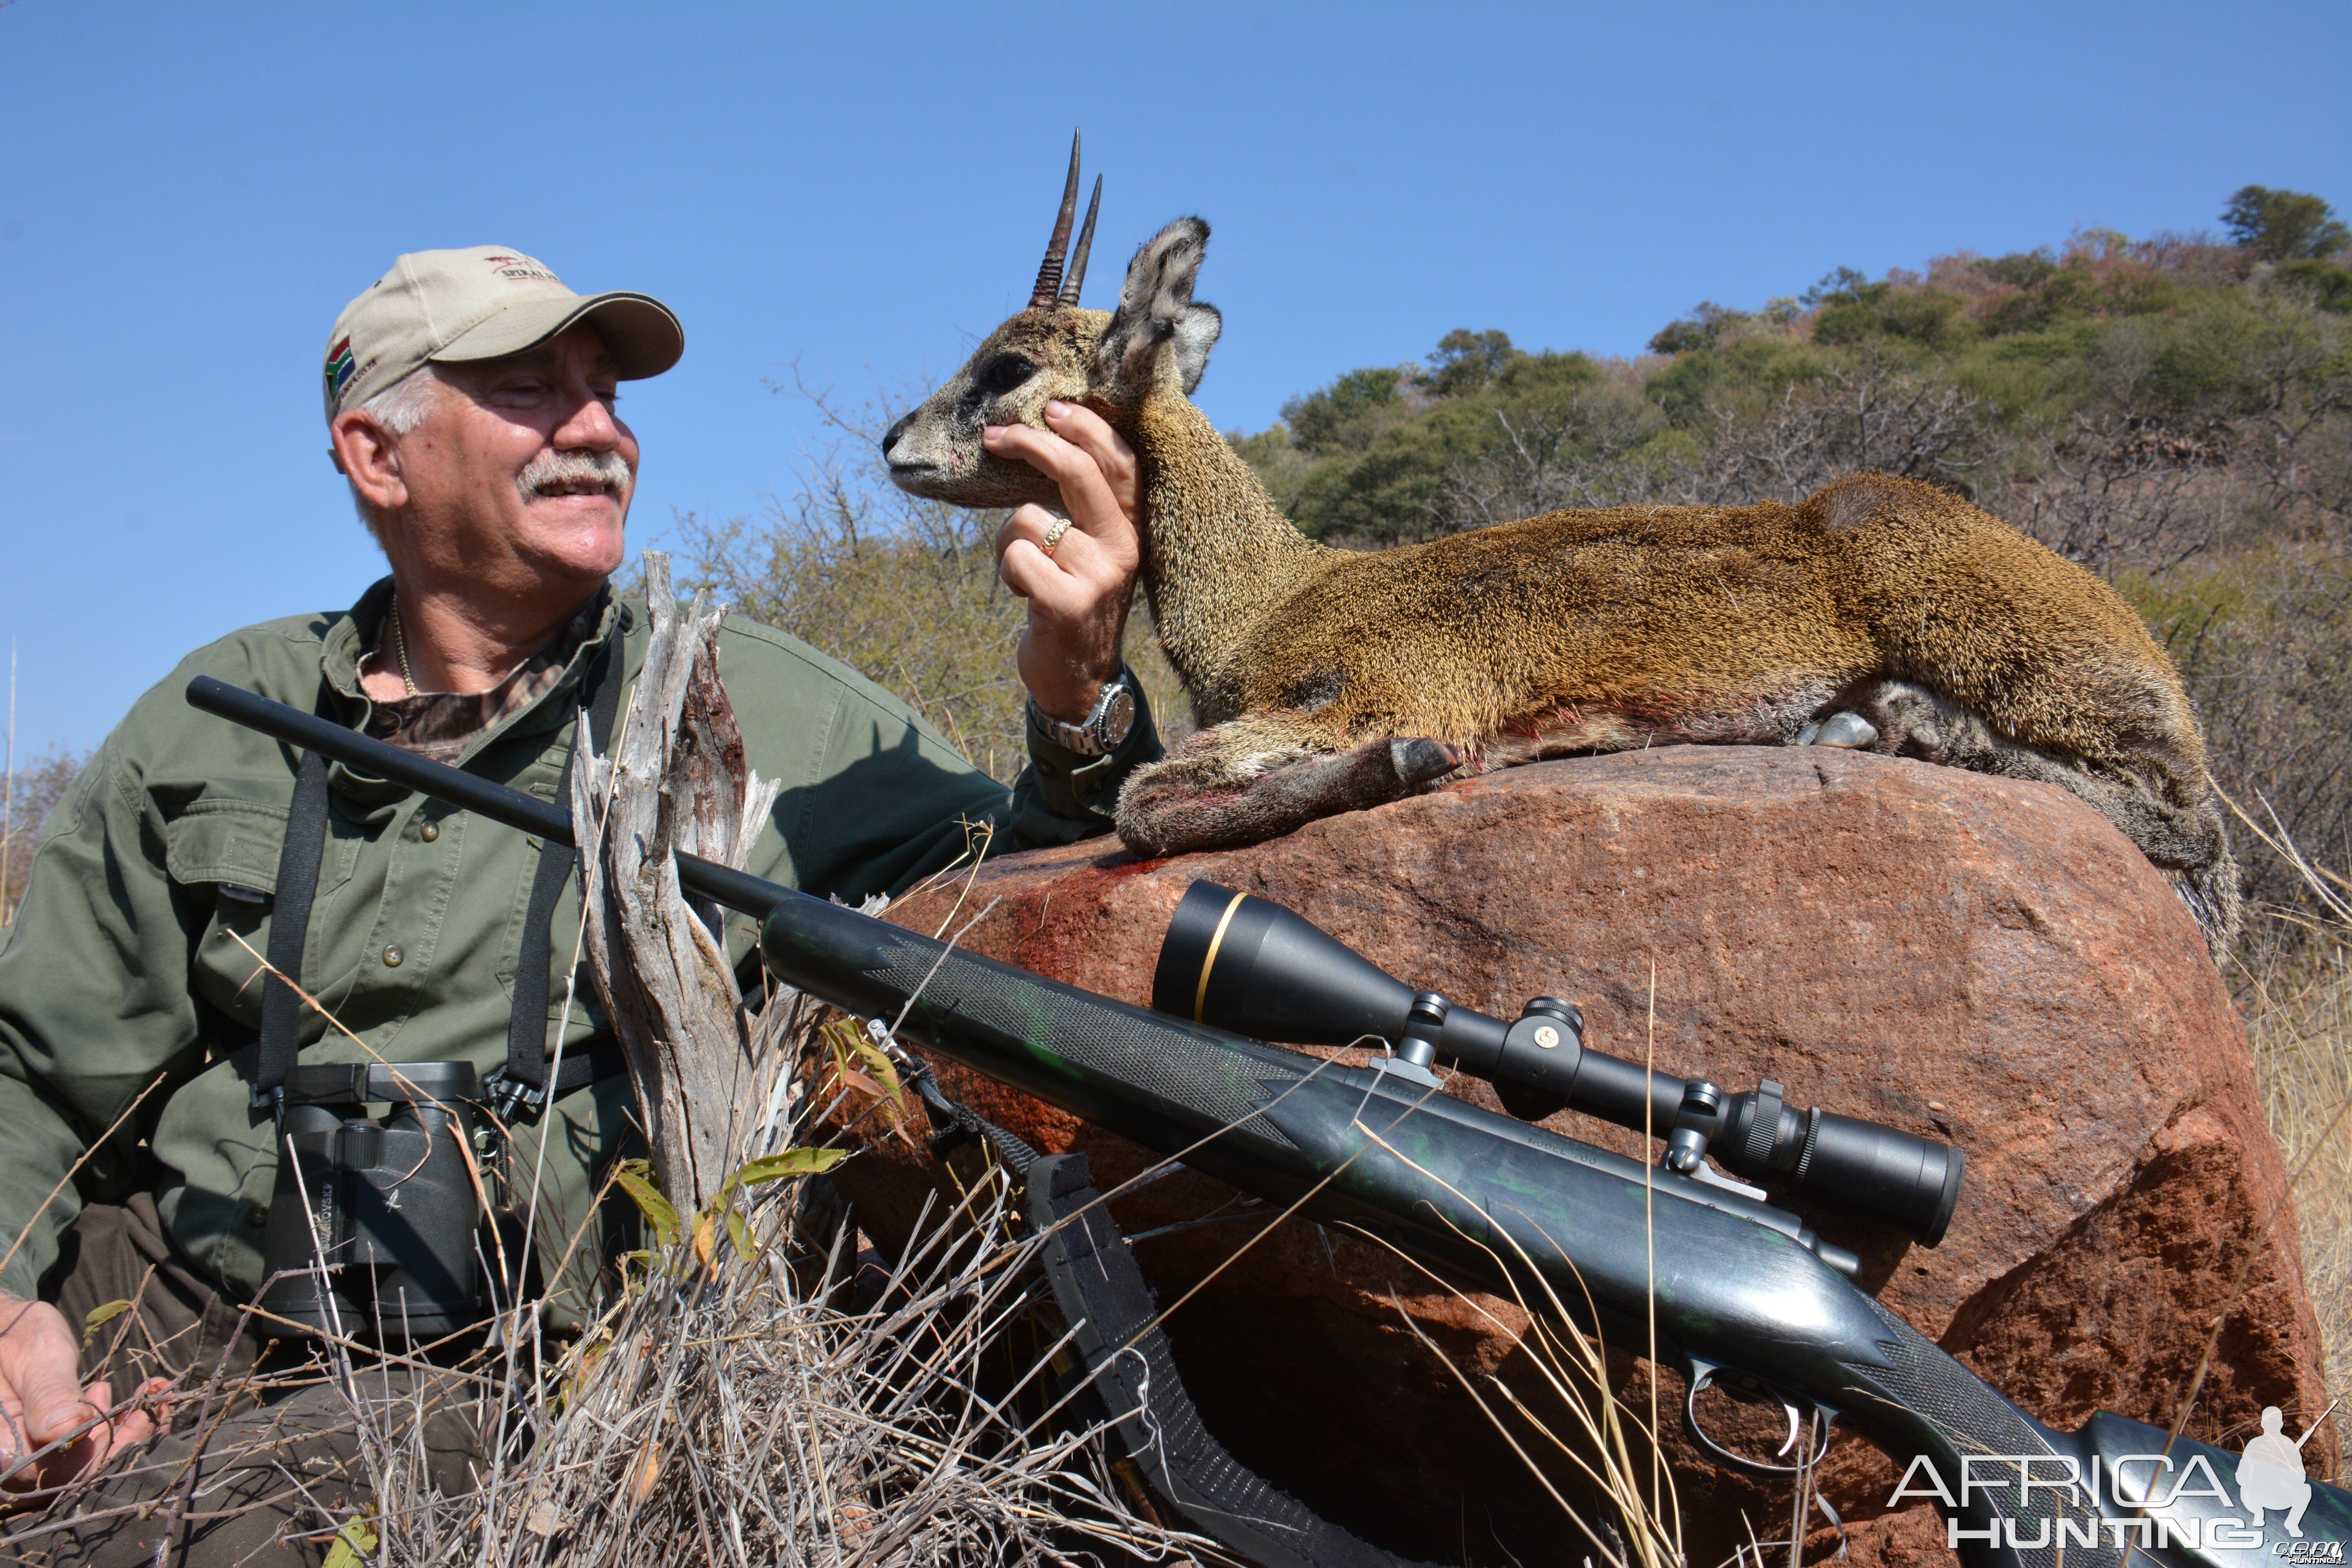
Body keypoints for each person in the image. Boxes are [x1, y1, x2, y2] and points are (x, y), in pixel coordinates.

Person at [0, 245, 1156, 1561]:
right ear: (378, 455)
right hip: (179, 1289)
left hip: (503, 1376)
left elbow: (1041, 887)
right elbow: (32, 1074)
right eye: (532, 390)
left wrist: (1082, 697)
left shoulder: (764, 702)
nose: (600, 429)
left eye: (607, 393)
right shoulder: (217, 718)